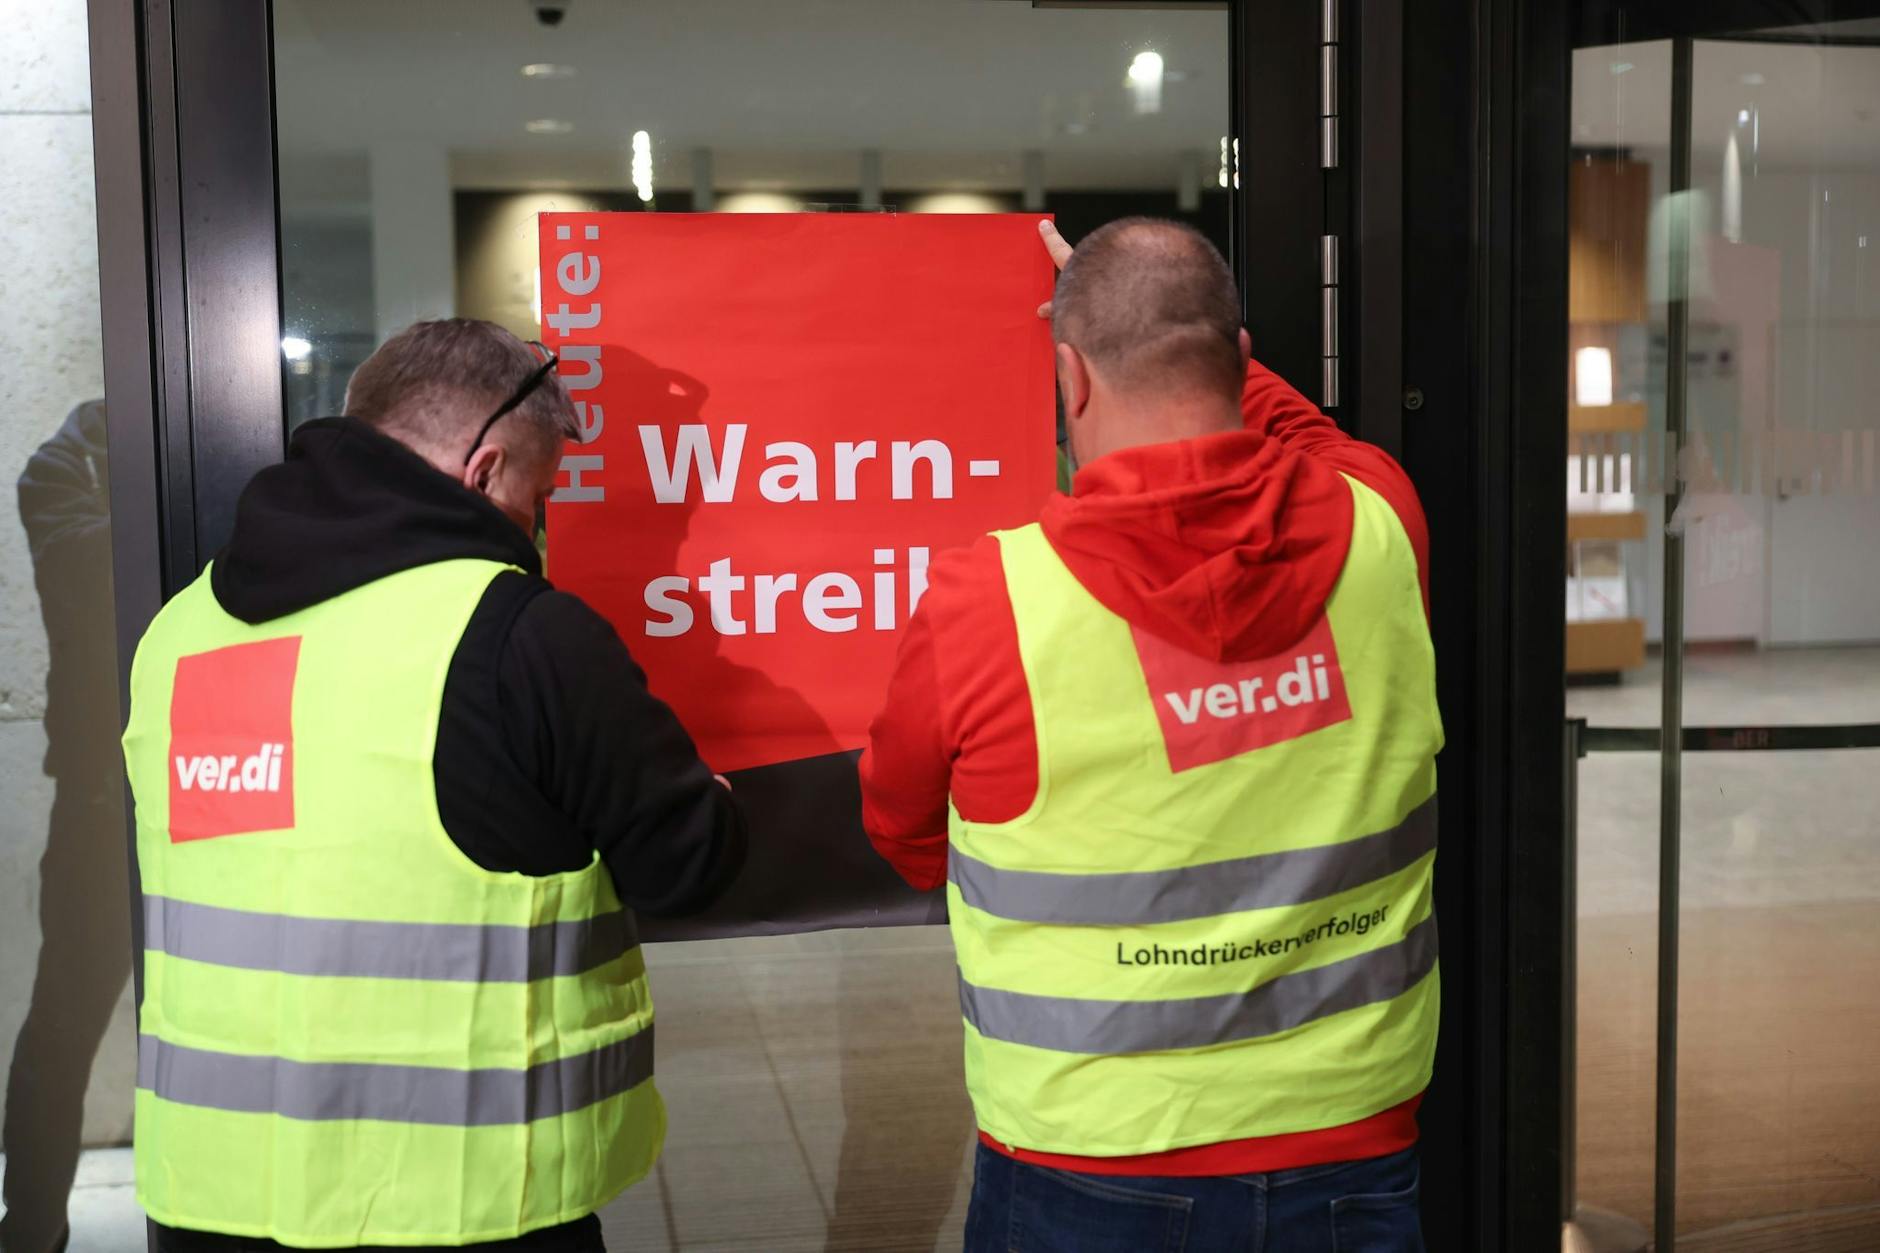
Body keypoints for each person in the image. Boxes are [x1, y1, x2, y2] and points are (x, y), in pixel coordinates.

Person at [859, 219, 1442, 1252]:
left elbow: (907, 837)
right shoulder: (1380, 523)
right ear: (1244, 360)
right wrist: (1172, 319)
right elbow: (1304, 436)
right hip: (1349, 1143)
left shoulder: (986, 603)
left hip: (1088, 1163)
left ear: (1067, 381)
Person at [119, 319, 746, 1253]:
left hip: (215, 1198)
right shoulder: (518, 634)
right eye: (538, 499)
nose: (537, 529)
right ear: (486, 470)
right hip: (463, 1206)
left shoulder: (180, 631)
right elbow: (688, 866)